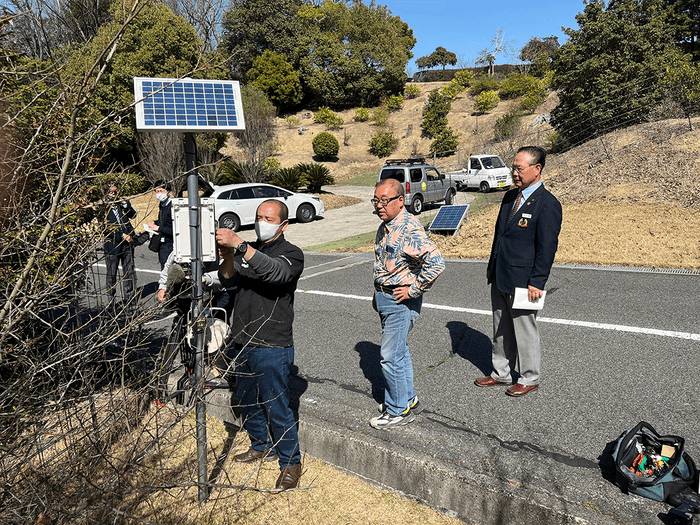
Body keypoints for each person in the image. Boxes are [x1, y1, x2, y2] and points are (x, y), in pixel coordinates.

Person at [215, 199, 304, 491]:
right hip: (241, 339)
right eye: (258, 217)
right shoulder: (248, 250)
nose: (261, 222)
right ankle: (259, 444)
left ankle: (290, 463)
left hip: (271, 343)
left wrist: (240, 245)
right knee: (247, 399)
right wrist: (228, 255)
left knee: (276, 405)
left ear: (283, 224)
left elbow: (276, 273)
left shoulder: (291, 254)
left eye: (268, 217)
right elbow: (228, 279)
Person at [475, 146, 562, 397]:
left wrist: (537, 281)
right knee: (500, 328)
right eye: (513, 167)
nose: (514, 173)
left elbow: (547, 248)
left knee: (525, 330)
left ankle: (529, 377)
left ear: (537, 169)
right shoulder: (509, 198)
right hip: (501, 275)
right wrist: (492, 268)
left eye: (519, 168)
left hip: (525, 280)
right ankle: (501, 373)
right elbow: (499, 237)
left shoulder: (548, 204)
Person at [370, 179, 445, 429]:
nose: (379, 205)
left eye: (385, 200)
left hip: (400, 301)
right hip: (385, 297)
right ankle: (406, 398)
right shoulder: (387, 226)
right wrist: (378, 292)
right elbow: (385, 262)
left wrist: (414, 289)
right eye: (376, 200)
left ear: (400, 200)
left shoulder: (408, 228)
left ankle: (397, 411)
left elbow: (436, 262)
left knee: (389, 356)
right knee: (399, 352)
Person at [102, 184, 137, 308]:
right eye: (111, 192)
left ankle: (130, 298)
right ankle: (111, 300)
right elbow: (105, 228)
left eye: (116, 192)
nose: (114, 194)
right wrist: (121, 235)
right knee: (112, 273)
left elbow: (133, 215)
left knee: (129, 272)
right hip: (112, 245)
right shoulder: (103, 207)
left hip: (127, 245)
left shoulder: (122, 204)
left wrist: (125, 204)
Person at [148, 183, 174, 269]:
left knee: (168, 269)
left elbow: (175, 229)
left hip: (171, 244)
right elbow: (164, 221)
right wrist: (155, 223)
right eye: (157, 191)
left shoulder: (173, 206)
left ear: (168, 192)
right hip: (162, 243)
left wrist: (158, 228)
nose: (159, 193)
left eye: (162, 191)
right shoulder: (162, 205)